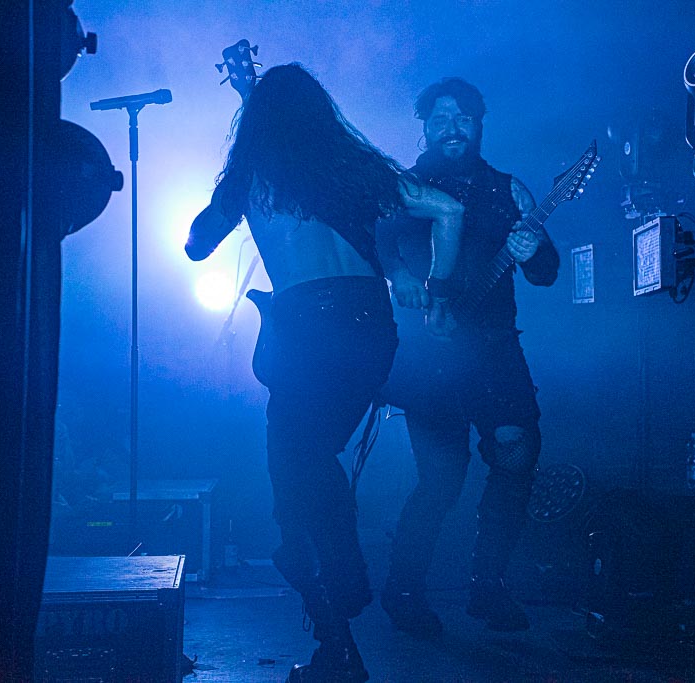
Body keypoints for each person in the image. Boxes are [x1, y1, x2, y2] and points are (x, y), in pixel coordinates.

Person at [185, 63, 463, 683]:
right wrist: (440, 291)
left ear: (256, 123)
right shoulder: (353, 168)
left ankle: (342, 603)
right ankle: (340, 631)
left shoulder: (252, 174)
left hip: (307, 331)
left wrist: (224, 206)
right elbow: (448, 210)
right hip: (371, 329)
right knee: (310, 464)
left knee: (296, 488)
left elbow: (197, 245)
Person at [376, 77, 559, 637]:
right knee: (441, 479)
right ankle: (404, 590)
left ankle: (488, 585)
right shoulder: (406, 187)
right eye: (440, 119)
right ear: (425, 127)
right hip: (430, 355)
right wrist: (401, 275)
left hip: (496, 350)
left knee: (517, 455)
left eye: (462, 118)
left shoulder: (510, 190)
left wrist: (536, 250)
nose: (451, 128)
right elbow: (378, 242)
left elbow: (546, 273)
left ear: (479, 123)